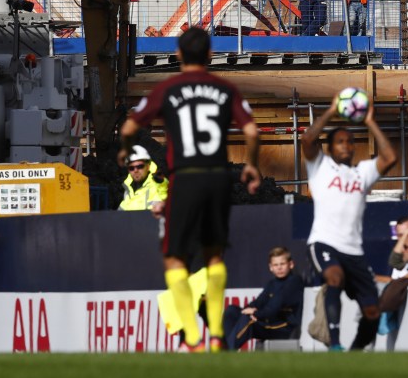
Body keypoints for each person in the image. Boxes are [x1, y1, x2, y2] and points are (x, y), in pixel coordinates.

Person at [119, 26, 261, 353]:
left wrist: (125, 149)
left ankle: (193, 339)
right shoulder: (225, 88)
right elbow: (252, 131)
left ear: (179, 55)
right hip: (218, 176)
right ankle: (215, 336)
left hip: (185, 177)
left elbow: (129, 126)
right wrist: (251, 164)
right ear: (210, 54)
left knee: (175, 260)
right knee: (214, 256)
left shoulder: (167, 89)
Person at [302, 92, 397, 352]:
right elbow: (308, 138)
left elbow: (390, 158)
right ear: (331, 148)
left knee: (372, 311)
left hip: (354, 250)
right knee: (334, 278)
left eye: (350, 142)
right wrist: (332, 111)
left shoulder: (362, 172)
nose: (346, 145)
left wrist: (370, 122)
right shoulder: (319, 167)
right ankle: (334, 344)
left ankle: (354, 353)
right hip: (324, 241)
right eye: (340, 142)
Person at [223, 246, 304, 351]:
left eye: (282, 264)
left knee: (249, 320)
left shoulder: (294, 281)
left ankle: (227, 352)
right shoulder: (272, 283)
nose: (279, 268)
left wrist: (256, 314)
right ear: (271, 267)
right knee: (232, 311)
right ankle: (225, 347)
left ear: (291, 264)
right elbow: (259, 301)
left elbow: (275, 306)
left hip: (284, 327)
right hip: (268, 323)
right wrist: (247, 310)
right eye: (276, 265)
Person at [117, 145, 168, 211]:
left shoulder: (158, 184)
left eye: (140, 166)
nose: (135, 170)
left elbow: (165, 192)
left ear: (148, 166)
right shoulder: (128, 188)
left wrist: (161, 182)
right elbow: (119, 214)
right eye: (131, 168)